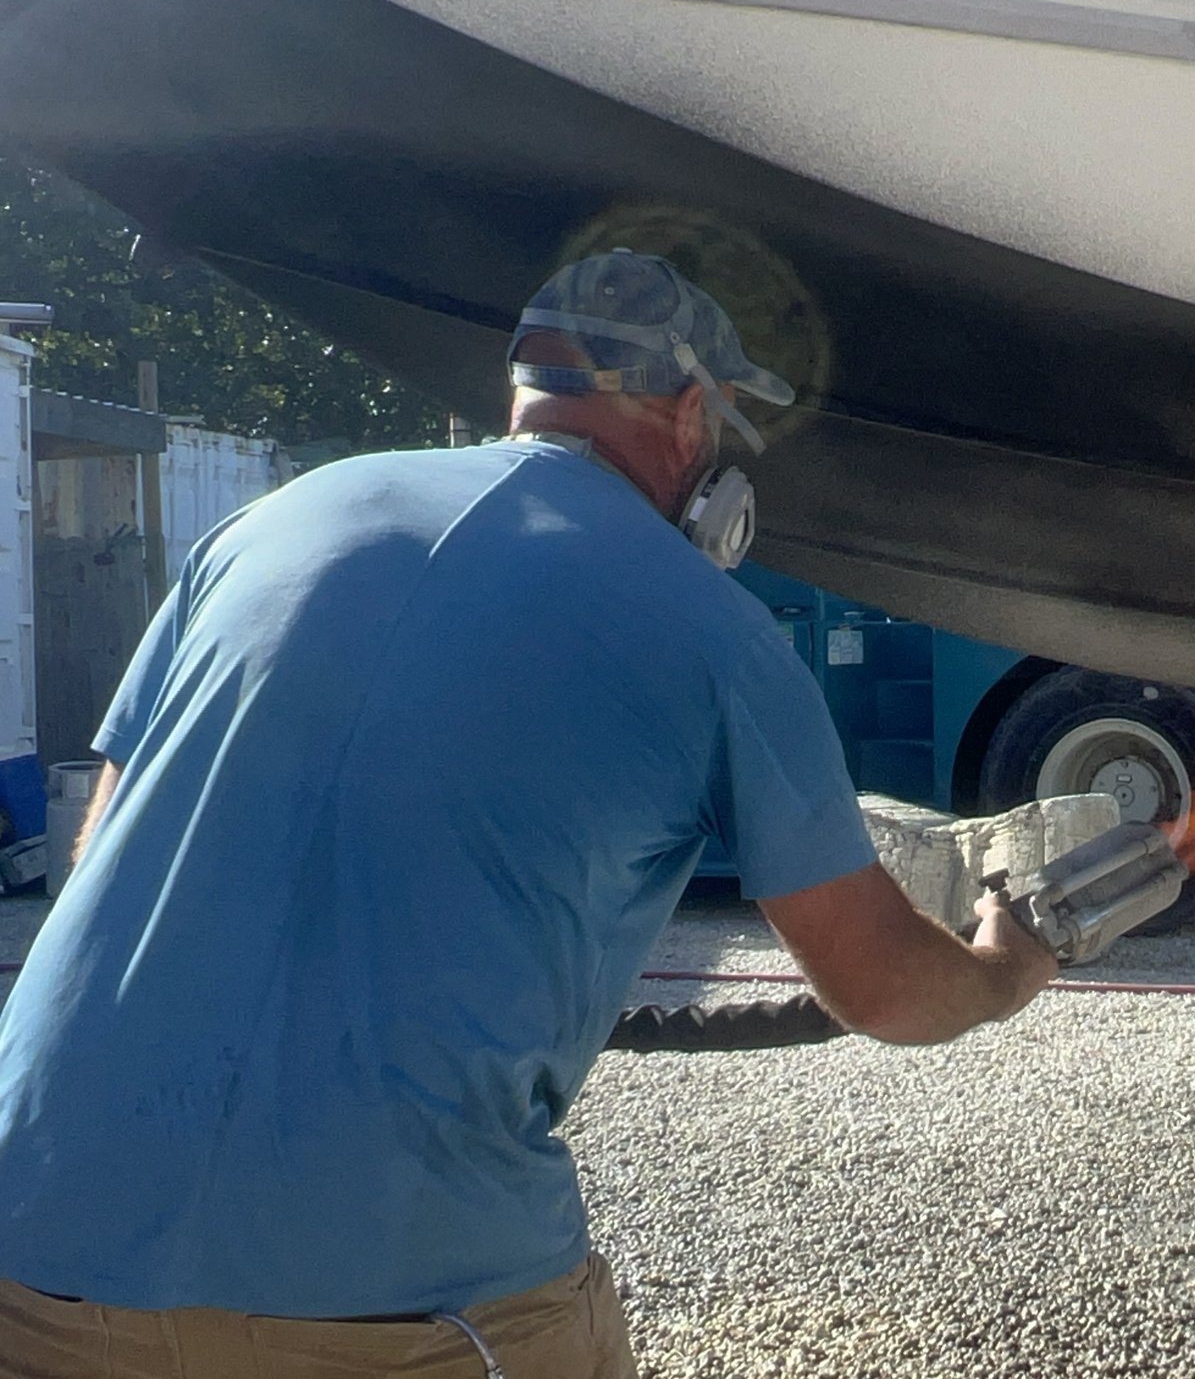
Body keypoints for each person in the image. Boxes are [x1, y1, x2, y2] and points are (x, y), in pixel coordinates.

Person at [0, 249, 1060, 1377]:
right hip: (394, 1301)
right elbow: (886, 985)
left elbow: (99, 847)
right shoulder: (715, 631)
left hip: (33, 1234)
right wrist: (1003, 969)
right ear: (690, 410)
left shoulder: (268, 523)